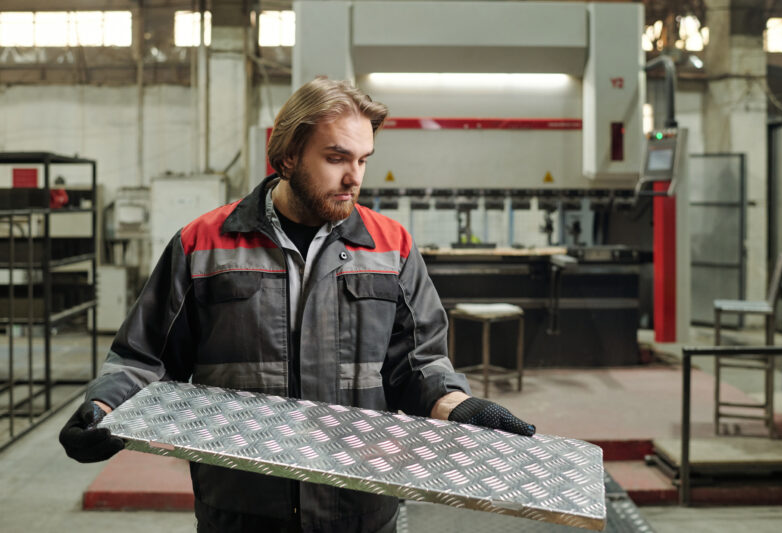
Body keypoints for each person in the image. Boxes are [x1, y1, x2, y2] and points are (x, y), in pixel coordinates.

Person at [59, 77, 535, 533]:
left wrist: (458, 405)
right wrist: (104, 407)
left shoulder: (392, 247)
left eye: (363, 160)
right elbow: (146, 357)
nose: (354, 177)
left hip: (359, 506)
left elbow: (418, 364)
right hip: (241, 510)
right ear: (287, 155)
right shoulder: (203, 244)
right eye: (336, 158)